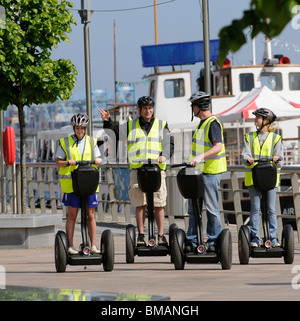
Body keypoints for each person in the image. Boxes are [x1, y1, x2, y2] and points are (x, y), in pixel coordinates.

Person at [98, 96, 174, 246]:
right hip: (138, 170)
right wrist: (107, 121)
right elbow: (114, 133)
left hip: (157, 169)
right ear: (139, 110)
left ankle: (160, 235)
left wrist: (164, 156)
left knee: (159, 203)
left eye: (150, 108)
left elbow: (168, 144)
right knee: (140, 203)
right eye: (145, 108)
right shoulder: (131, 125)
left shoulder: (161, 124)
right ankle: (140, 235)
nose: (148, 111)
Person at [56, 113, 102, 255]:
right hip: (71, 184)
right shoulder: (65, 142)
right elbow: (58, 162)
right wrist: (67, 162)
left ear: (85, 128)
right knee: (72, 215)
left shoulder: (92, 141)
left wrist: (98, 160)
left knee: (90, 214)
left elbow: (97, 157)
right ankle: (70, 246)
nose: (79, 131)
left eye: (82, 128)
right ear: (74, 128)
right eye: (77, 128)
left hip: (88, 183)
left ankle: (93, 245)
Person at [187, 91, 227, 253]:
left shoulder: (213, 123)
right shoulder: (202, 123)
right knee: (194, 208)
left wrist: (201, 157)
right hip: (197, 171)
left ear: (197, 107)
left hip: (210, 172)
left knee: (211, 208)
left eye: (192, 107)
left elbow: (218, 147)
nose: (192, 109)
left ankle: (213, 240)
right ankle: (192, 240)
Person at [242, 108, 283, 248]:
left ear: (266, 121)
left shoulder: (276, 138)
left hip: (270, 179)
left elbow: (281, 161)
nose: (255, 120)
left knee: (271, 209)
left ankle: (273, 238)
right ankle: (254, 238)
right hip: (253, 179)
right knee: (255, 208)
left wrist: (278, 160)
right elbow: (244, 156)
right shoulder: (249, 137)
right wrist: (248, 159)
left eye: (258, 117)